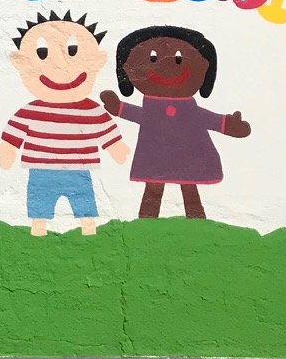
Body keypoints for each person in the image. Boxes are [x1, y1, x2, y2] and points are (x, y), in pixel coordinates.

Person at [0, 11, 129, 236]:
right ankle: (39, 229)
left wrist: (116, 146)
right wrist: (7, 149)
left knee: (83, 201)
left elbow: (104, 129)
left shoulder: (90, 109)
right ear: (20, 63)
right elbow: (15, 132)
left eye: (73, 51)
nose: (59, 64)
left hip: (79, 167)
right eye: (42, 53)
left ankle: (88, 228)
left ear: (97, 61)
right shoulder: (31, 111)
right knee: (40, 201)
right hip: (41, 168)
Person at [102, 25, 250, 219]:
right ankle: (148, 223)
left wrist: (227, 125)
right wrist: (118, 108)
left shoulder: (188, 108)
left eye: (179, 59)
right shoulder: (152, 107)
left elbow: (206, 118)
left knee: (189, 190)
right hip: (157, 155)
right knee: (154, 189)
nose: (167, 66)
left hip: (187, 155)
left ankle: (194, 221)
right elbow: (140, 115)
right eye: (152, 59)